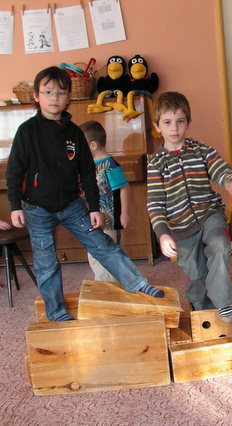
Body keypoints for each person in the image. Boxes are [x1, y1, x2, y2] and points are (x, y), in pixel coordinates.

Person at [6, 66, 165, 322]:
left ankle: (138, 284)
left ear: (69, 97)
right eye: (48, 92)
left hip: (72, 204)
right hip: (37, 208)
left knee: (103, 245)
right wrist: (15, 205)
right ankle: (56, 312)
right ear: (36, 96)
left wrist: (94, 207)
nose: (54, 97)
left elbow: (88, 174)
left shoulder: (75, 133)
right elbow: (15, 169)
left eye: (60, 93)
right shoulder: (27, 131)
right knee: (46, 262)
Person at [147, 91, 232, 322]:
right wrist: (162, 234)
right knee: (196, 276)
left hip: (209, 214)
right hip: (181, 228)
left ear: (188, 122)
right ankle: (202, 311)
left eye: (180, 121)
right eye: (167, 122)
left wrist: (230, 181)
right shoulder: (155, 163)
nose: (174, 128)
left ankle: (224, 302)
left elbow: (220, 169)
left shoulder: (202, 150)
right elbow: (155, 202)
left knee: (220, 244)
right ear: (157, 126)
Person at [79, 120, 130, 282]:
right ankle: (103, 284)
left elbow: (123, 188)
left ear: (93, 145)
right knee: (95, 253)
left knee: (110, 253)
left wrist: (124, 214)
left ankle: (110, 286)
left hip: (110, 221)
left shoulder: (110, 165)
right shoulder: (88, 165)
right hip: (94, 220)